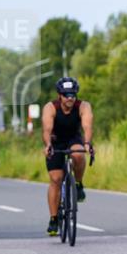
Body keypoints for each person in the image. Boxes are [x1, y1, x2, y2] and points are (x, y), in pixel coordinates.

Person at [41, 76, 94, 236]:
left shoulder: (83, 106)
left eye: (73, 94)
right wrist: (48, 145)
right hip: (55, 141)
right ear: (60, 95)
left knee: (78, 154)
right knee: (56, 179)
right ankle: (53, 219)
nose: (70, 98)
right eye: (66, 95)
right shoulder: (51, 107)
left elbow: (87, 126)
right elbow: (47, 130)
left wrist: (87, 143)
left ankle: (78, 183)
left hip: (73, 139)